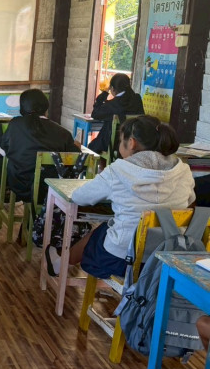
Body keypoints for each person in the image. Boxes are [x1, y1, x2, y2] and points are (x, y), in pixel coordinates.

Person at [45, 115, 195, 279]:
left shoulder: (118, 170)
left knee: (104, 231)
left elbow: (80, 197)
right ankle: (60, 262)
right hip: (165, 260)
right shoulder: (183, 170)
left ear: (131, 142)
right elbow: (189, 201)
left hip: (122, 261)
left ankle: (61, 262)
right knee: (109, 229)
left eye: (120, 140)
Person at [0, 89, 79, 202]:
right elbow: (76, 159)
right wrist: (77, 146)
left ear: (22, 108)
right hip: (51, 189)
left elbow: (4, 148)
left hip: (20, 186)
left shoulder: (15, 125)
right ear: (46, 107)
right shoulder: (63, 133)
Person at [88, 73, 144, 155]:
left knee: (91, 147)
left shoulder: (112, 104)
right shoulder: (137, 99)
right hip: (134, 142)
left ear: (112, 88)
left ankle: (104, 163)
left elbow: (95, 114)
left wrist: (104, 93)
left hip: (114, 144)